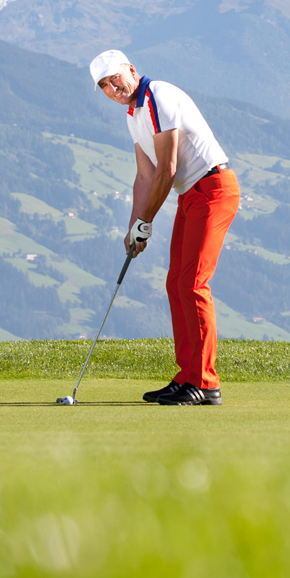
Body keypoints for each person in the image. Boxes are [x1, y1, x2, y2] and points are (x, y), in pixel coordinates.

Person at [89, 49, 240, 405]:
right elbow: (144, 176)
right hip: (191, 196)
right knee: (176, 283)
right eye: (104, 85)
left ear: (131, 69)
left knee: (192, 283)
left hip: (213, 189)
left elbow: (166, 169)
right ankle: (187, 375)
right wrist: (133, 229)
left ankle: (205, 383)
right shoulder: (134, 115)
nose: (113, 88)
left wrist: (146, 222)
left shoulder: (157, 95)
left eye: (115, 78)